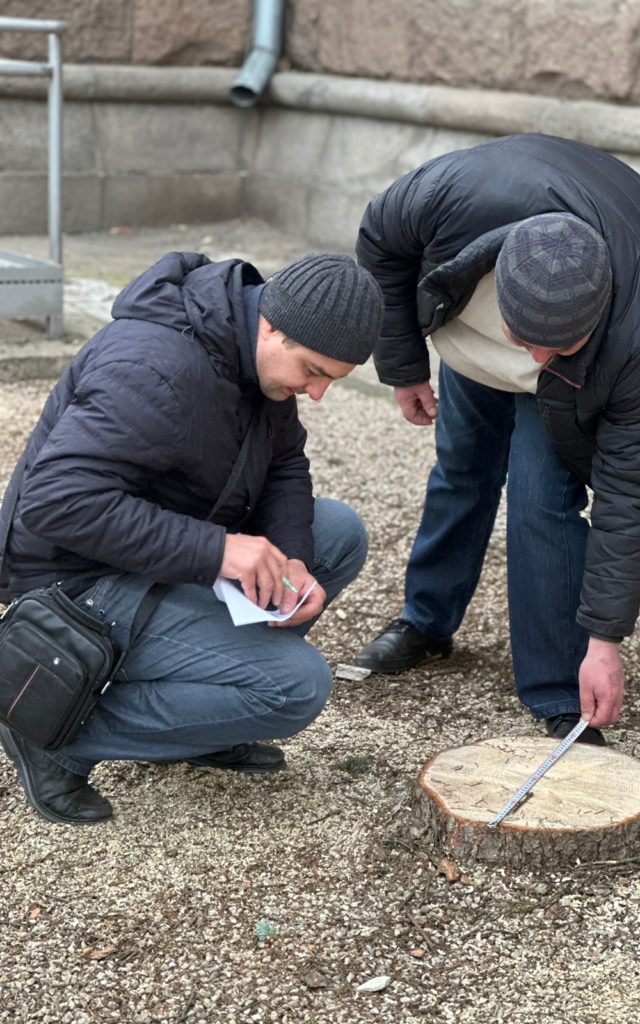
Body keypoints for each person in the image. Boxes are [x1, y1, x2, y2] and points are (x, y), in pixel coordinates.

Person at [0, 250, 384, 825]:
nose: (317, 392)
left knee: (336, 534)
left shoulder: (251, 355)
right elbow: (58, 503)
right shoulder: (156, 368)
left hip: (154, 547)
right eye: (314, 372)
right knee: (295, 687)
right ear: (271, 325)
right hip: (73, 580)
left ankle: (198, 723)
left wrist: (295, 560)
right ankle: (50, 728)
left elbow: (284, 464)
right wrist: (220, 551)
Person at [353, 132, 640, 746]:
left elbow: (634, 492)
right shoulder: (446, 198)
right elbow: (380, 242)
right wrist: (401, 365)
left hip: (569, 385)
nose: (533, 357)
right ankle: (426, 622)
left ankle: (561, 688)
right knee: (461, 467)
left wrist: (604, 643)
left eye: (554, 345)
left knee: (542, 500)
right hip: (472, 348)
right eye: (524, 336)